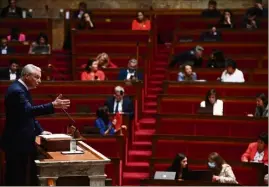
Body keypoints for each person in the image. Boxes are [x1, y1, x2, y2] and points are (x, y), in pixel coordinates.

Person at [0, 64, 70, 186]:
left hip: (20, 141)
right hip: (16, 142)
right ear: (26, 76)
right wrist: (52, 106)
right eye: (36, 77)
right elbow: (28, 111)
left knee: (21, 176)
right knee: (15, 177)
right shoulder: (17, 91)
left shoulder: (22, 89)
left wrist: (40, 131)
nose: (39, 81)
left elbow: (28, 116)